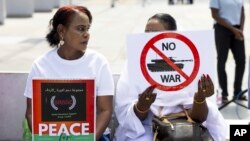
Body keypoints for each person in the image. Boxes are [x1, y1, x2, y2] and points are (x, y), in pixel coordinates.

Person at [114, 13, 227, 141]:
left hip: (187, 127)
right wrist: (142, 106)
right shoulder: (133, 65)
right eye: (146, 33)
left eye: (155, 33)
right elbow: (128, 117)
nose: (148, 37)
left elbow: (199, 118)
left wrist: (199, 98)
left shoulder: (192, 66)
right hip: (146, 130)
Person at [23, 5, 114, 141]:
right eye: (80, 29)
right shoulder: (41, 65)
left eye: (88, 28)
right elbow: (31, 113)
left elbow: (105, 110)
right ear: (61, 31)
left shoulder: (98, 62)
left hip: (94, 136)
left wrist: (89, 139)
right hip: (52, 138)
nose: (86, 34)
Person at [210, 0, 246, 103]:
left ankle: (238, 92)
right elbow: (215, 15)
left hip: (237, 30)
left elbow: (242, 12)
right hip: (222, 29)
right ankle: (224, 93)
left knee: (241, 60)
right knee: (222, 60)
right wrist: (233, 30)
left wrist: (240, 30)